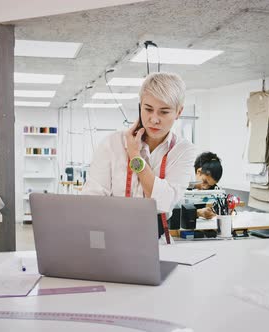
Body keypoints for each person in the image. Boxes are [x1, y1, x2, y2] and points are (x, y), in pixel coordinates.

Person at [82, 72, 197, 242]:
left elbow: (164, 202)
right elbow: (91, 200)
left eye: (164, 112)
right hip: (112, 237)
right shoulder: (112, 144)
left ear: (178, 112)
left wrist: (135, 156)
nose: (154, 119)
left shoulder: (183, 150)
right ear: (140, 105)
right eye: (148, 109)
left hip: (157, 241)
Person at [191, 152, 223, 219]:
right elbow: (172, 213)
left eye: (210, 185)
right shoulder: (182, 185)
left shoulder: (212, 187)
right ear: (199, 172)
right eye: (205, 181)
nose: (205, 187)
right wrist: (197, 213)